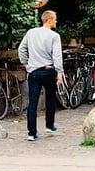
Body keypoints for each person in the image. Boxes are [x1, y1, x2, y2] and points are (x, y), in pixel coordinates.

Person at [18, 10, 64, 141]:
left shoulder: (31, 33)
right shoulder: (54, 36)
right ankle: (49, 125)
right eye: (55, 19)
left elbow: (21, 49)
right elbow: (57, 56)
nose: (56, 21)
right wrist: (59, 73)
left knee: (32, 102)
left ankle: (31, 133)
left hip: (33, 71)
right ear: (49, 20)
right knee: (50, 97)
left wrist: (26, 64)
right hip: (48, 70)